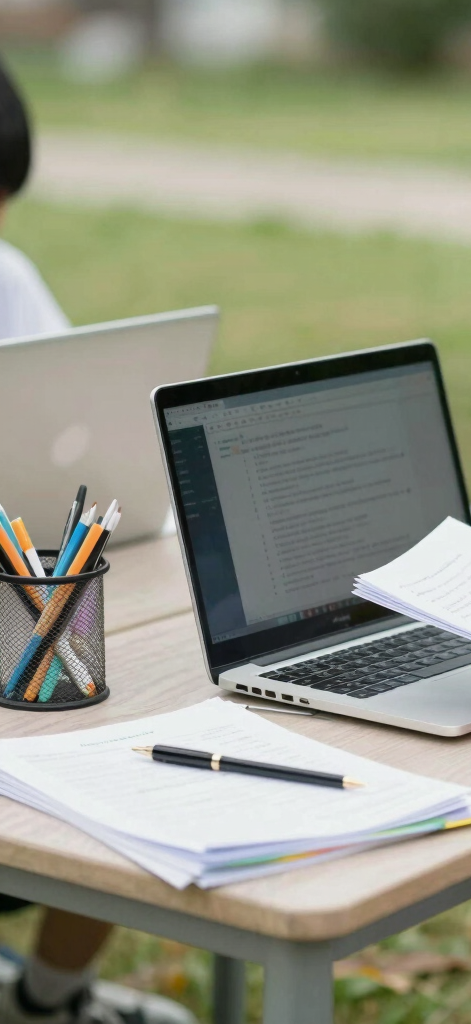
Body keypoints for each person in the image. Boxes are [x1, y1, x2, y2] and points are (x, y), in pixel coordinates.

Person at [0, 56, 196, 1024]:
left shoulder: (6, 275)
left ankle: (48, 995)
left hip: (22, 593)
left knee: (146, 731)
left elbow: (74, 427)